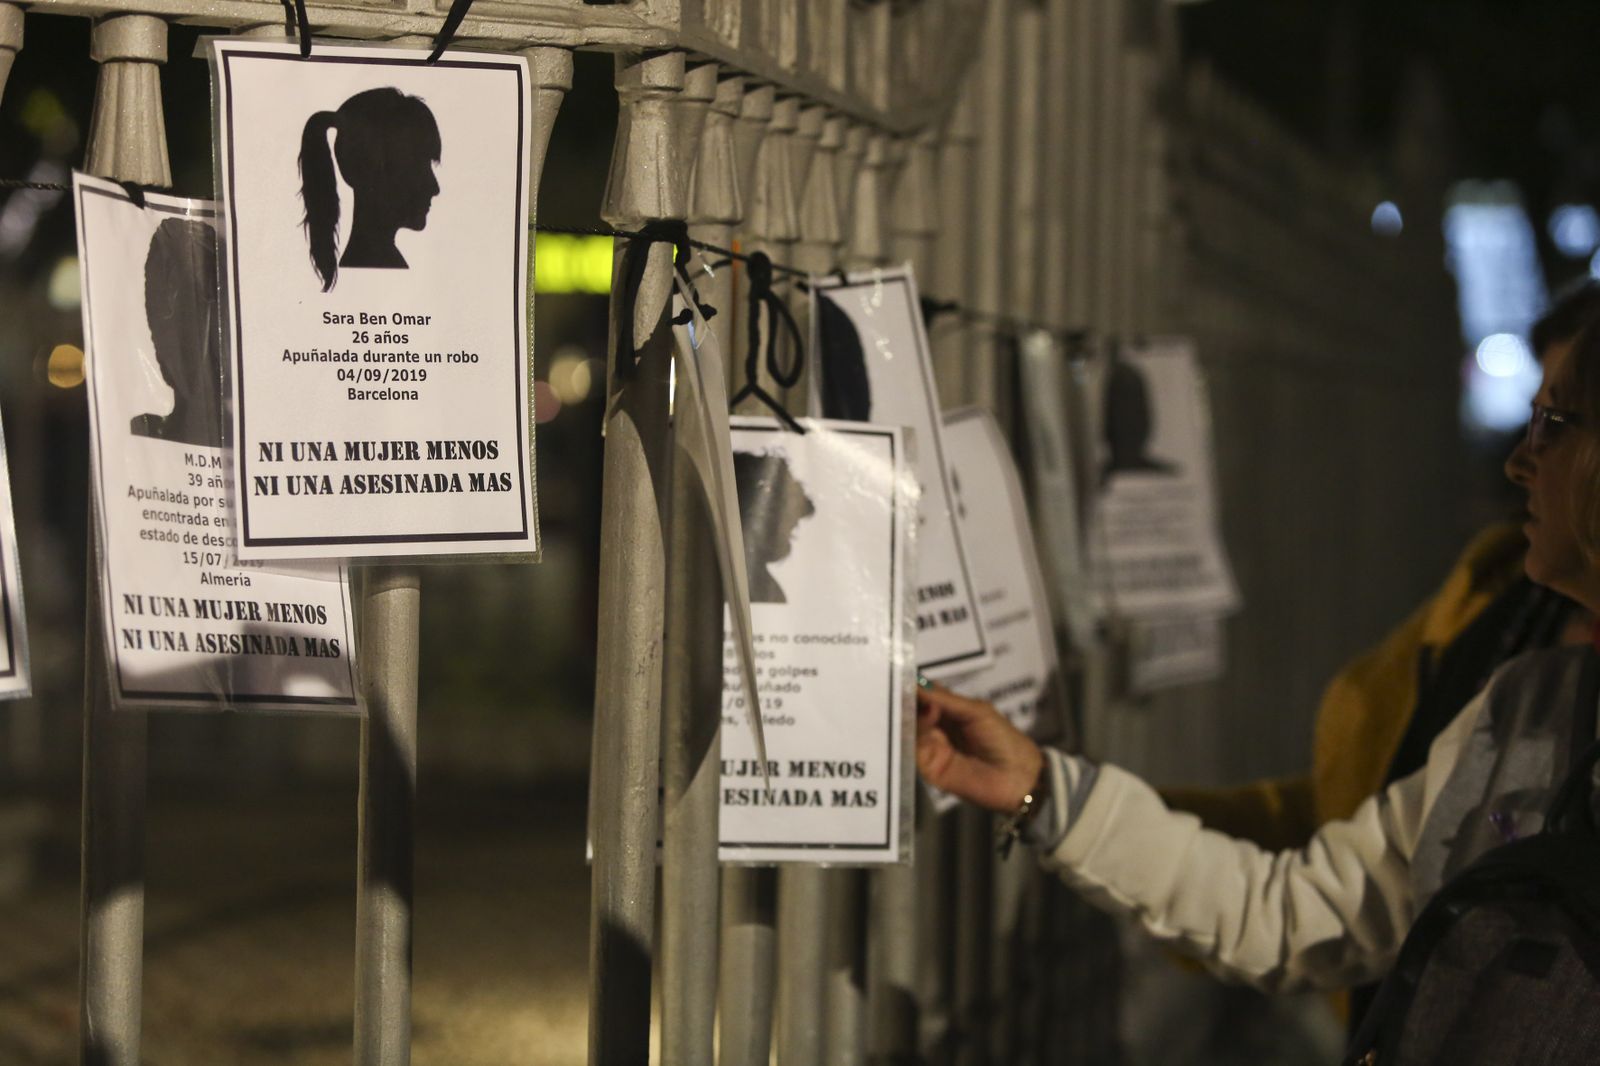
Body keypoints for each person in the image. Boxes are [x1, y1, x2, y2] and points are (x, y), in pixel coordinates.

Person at [917, 313, 1600, 996]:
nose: (1518, 463)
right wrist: (1042, 793)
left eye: (1552, 426)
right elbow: (1304, 913)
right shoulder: (1531, 701)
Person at [298, 87, 441, 291]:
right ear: (372, 169)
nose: (434, 187)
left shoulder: (373, 262)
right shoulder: (382, 266)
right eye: (419, 167)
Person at [131, 217, 223, 448]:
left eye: (185, 300)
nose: (160, 324)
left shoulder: (260, 433)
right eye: (155, 304)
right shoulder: (145, 434)